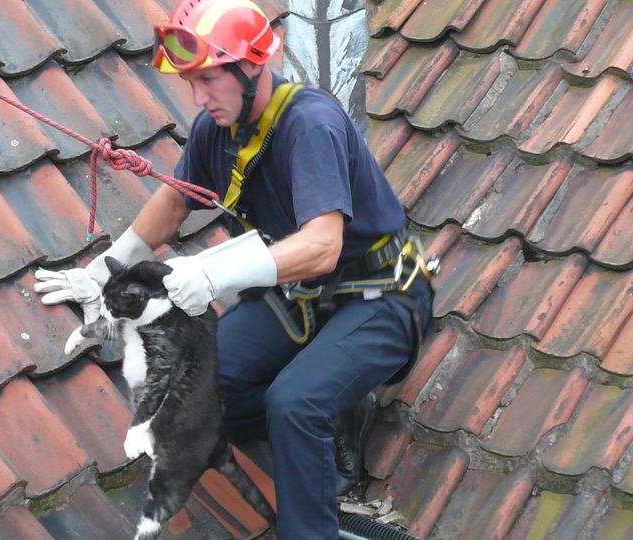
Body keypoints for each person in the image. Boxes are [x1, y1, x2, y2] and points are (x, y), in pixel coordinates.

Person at [34, 0, 434, 537]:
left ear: (251, 69)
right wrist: (106, 270)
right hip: (299, 300)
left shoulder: (309, 125)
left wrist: (215, 276)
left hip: (379, 296)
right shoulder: (215, 130)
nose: (199, 98)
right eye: (191, 83)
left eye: (209, 81)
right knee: (196, 390)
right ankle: (316, 438)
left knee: (294, 404)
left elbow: (322, 246)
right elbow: (175, 204)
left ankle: (314, 505)